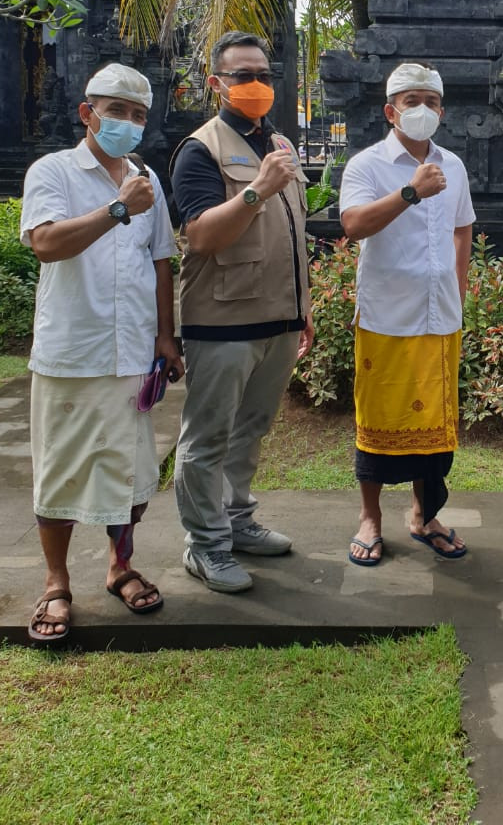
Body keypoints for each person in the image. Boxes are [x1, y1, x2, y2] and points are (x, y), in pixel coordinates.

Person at [20, 63, 182, 643]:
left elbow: (161, 259)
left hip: (133, 352)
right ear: (88, 114)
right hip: (72, 350)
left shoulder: (146, 178)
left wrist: (167, 336)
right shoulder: (55, 171)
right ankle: (56, 581)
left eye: (139, 115)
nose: (129, 123)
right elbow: (44, 244)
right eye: (117, 111)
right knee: (60, 470)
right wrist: (117, 208)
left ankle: (120, 566)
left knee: (129, 473)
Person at [171, 31, 313, 593]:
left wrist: (303, 308)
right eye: (241, 76)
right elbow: (202, 236)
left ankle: (236, 520)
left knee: (250, 431)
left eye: (263, 75)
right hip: (223, 321)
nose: (255, 86)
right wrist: (255, 190)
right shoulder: (199, 149)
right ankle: (204, 546)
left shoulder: (278, 142)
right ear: (216, 84)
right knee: (207, 438)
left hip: (278, 319)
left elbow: (294, 234)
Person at [339, 62, 475, 566]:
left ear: (443, 110)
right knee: (377, 420)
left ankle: (424, 514)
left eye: (431, 102)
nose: (422, 110)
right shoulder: (368, 165)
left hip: (440, 317)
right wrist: (411, 191)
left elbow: (463, 228)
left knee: (436, 430)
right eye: (411, 101)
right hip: (387, 318)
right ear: (390, 110)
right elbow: (353, 224)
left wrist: (458, 288)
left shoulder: (454, 166)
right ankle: (370, 517)